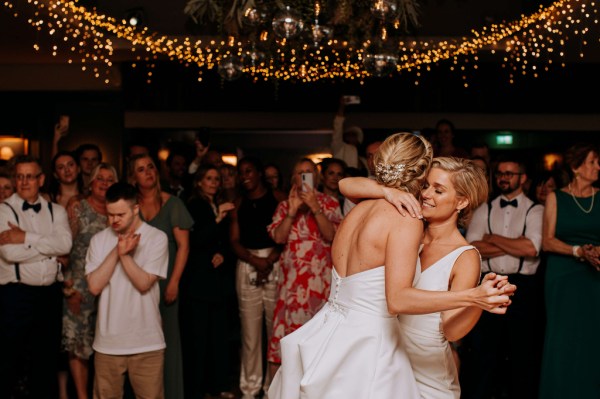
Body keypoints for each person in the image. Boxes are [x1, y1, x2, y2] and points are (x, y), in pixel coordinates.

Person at [268, 134, 515, 399]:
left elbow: (451, 329)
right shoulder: (405, 221)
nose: (427, 194)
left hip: (409, 359)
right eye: (427, 185)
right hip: (377, 349)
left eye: (438, 190)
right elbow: (346, 184)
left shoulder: (462, 255)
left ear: (462, 202)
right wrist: (386, 190)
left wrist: (476, 299)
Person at [463, 155, 544, 399]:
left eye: (510, 173)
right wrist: (514, 244)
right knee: (484, 352)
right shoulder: (483, 208)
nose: (504, 177)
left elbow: (532, 249)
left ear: (523, 178)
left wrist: (491, 238)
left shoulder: (536, 209)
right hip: (489, 284)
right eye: (500, 173)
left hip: (524, 287)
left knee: (523, 352)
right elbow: (472, 248)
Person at [85, 182, 168, 398]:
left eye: (120, 214)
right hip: (107, 344)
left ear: (135, 208)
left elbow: (143, 284)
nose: (114, 220)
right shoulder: (99, 241)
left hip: (147, 342)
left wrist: (125, 256)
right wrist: (117, 251)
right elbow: (94, 286)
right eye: (110, 214)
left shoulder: (157, 238)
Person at [0, 155, 73, 399]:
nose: (23, 182)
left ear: (41, 179)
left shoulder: (57, 210)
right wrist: (49, 253)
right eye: (19, 176)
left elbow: (65, 244)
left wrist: (27, 238)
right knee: (10, 359)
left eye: (29, 176)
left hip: (49, 295)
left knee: (46, 360)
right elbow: (9, 253)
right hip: (15, 294)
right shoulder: (2, 210)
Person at [266, 157, 343, 379]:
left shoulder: (330, 203)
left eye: (308, 171)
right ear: (293, 178)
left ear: (316, 177)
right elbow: (278, 238)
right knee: (284, 337)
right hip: (291, 284)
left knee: (319, 341)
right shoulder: (283, 205)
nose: (304, 176)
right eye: (300, 172)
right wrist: (292, 211)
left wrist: (315, 208)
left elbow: (331, 235)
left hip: (320, 282)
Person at [128, 153, 193, 399]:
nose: (148, 172)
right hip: (135, 283)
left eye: (151, 167)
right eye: (141, 169)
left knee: (167, 342)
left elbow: (184, 247)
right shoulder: (130, 206)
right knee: (137, 342)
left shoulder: (173, 204)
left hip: (166, 282)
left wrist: (174, 282)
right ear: (133, 177)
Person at [539, 142, 600, 399]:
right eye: (592, 162)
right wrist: (578, 251)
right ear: (576, 167)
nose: (598, 167)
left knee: (593, 337)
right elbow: (547, 240)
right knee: (563, 337)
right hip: (563, 275)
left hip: (595, 276)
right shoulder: (556, 197)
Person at [229, 156, 285, 399]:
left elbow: (288, 234)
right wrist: (256, 261)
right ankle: (250, 388)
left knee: (276, 330)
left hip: (275, 260)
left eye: (249, 170)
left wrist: (269, 261)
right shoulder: (238, 202)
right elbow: (234, 240)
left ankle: (273, 387)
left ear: (259, 173)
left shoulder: (278, 198)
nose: (245, 176)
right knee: (250, 332)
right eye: (241, 172)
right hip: (247, 261)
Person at [179, 163, 237, 399]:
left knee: (217, 337)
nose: (214, 182)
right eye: (209, 178)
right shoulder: (193, 204)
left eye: (216, 179)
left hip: (218, 282)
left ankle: (217, 386)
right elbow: (195, 239)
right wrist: (217, 218)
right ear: (200, 181)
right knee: (198, 339)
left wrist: (222, 253)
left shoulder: (220, 203)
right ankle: (198, 389)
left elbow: (227, 239)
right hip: (198, 281)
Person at [62, 162, 118, 399]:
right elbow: (65, 250)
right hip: (80, 286)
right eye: (100, 178)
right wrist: (70, 288)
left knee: (107, 343)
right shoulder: (78, 206)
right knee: (78, 344)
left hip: (114, 287)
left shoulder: (119, 210)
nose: (104, 183)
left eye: (110, 180)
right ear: (91, 182)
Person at [331, 95, 366, 171]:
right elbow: (338, 127)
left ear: (358, 139)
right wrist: (342, 107)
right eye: (349, 134)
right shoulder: (339, 147)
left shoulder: (363, 160)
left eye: (353, 135)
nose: (351, 137)